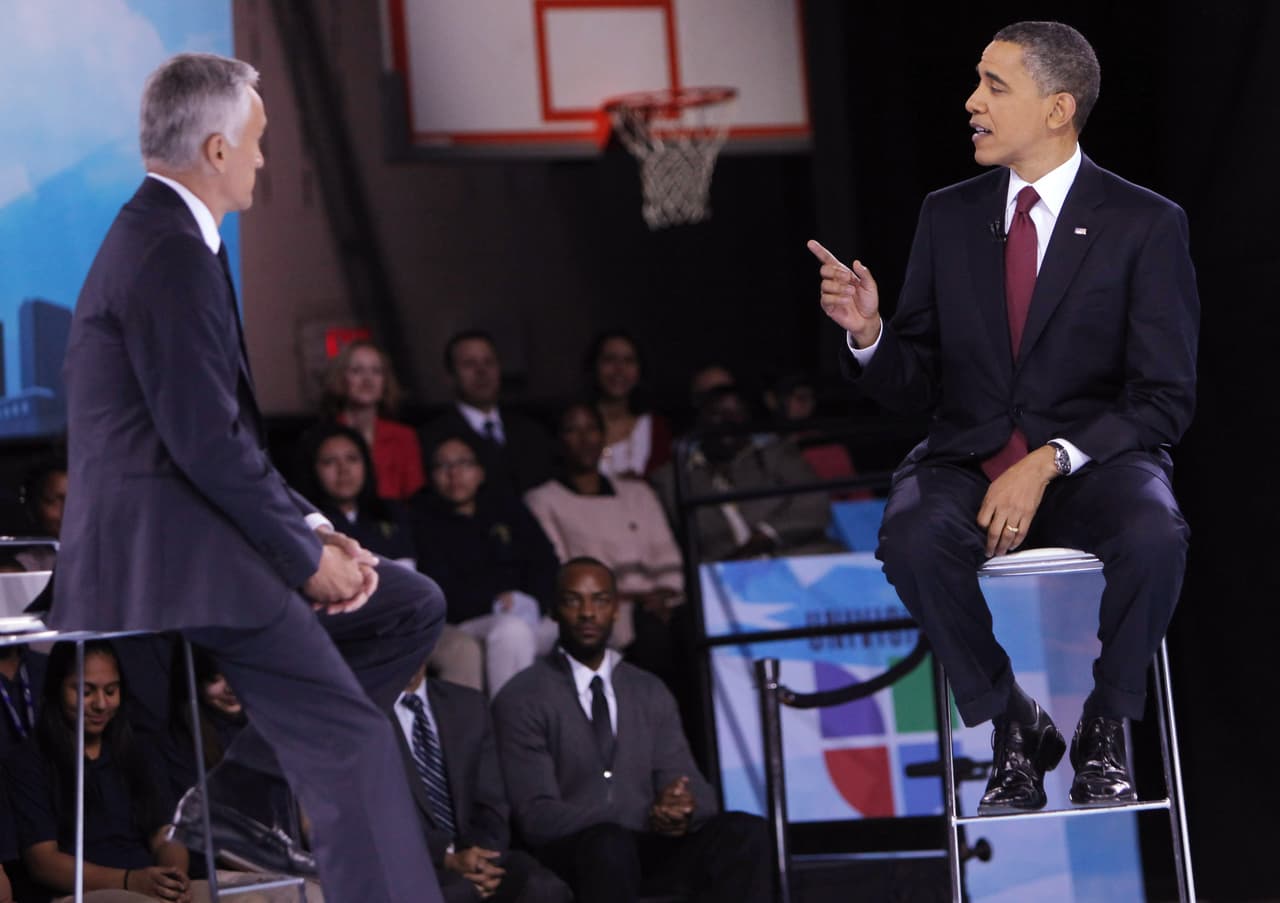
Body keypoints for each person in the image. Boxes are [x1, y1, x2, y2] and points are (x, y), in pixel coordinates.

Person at [52, 52, 446, 901]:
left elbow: (217, 435)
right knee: (351, 739)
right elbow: (204, 443)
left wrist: (313, 527)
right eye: (260, 142)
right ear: (220, 149)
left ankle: (239, 797)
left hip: (197, 534)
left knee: (409, 605)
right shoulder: (167, 250)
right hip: (175, 550)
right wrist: (306, 559)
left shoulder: (171, 237)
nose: (267, 160)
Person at [810, 21, 1197, 813]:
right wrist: (871, 333)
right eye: (975, 82)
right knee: (912, 536)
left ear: (1058, 109)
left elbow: (1164, 399)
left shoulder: (1144, 223)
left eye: (994, 85)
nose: (971, 102)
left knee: (1156, 532)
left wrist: (1050, 457)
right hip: (969, 455)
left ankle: (1106, 724)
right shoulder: (947, 215)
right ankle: (1011, 721)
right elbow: (916, 387)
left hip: (1092, 464)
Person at [492, 558, 772, 903]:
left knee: (747, 832)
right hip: (575, 854)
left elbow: (698, 790)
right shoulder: (522, 696)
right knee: (610, 843)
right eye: (573, 600)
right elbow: (536, 815)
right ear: (554, 610)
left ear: (615, 611)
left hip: (648, 850)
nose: (588, 613)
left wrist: (682, 810)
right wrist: (644, 816)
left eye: (600, 600)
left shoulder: (648, 689)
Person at [4, 641, 194, 902]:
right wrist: (129, 880)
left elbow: (164, 834)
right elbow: (43, 862)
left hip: (150, 884)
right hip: (82, 892)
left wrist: (173, 877)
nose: (101, 704)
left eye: (111, 691)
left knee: (254, 893)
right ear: (57, 689)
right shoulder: (28, 761)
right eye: (85, 691)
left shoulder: (140, 748)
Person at [391, 660, 571, 903]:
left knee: (543, 887)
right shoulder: (363, 713)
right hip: (408, 862)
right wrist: (447, 858)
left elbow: (491, 803)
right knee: (458, 893)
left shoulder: (468, 704)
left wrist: (478, 860)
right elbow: (377, 818)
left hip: (475, 852)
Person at [524, 402, 685, 671]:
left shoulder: (637, 492)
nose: (584, 439)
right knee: (651, 636)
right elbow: (562, 567)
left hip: (663, 601)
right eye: (572, 431)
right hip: (607, 609)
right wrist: (629, 599)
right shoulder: (543, 500)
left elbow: (666, 552)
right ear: (558, 441)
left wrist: (663, 593)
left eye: (591, 429)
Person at [411, 433, 559, 695]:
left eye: (463, 464)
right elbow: (436, 588)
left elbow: (546, 562)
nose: (454, 473)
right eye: (443, 466)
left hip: (528, 611)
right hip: (468, 619)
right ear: (431, 476)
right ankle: (513, 729)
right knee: (511, 632)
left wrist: (532, 599)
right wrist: (495, 602)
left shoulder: (507, 508)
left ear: (480, 472)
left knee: (583, 629)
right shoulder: (422, 520)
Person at [651, 385, 838, 562]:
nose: (728, 420)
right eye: (717, 413)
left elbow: (815, 503)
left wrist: (765, 536)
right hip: (723, 576)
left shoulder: (778, 454)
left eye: (737, 413)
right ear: (700, 419)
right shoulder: (673, 478)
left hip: (798, 559)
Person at [420, 331, 554, 497]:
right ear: (450, 376)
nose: (482, 371)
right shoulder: (432, 438)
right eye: (469, 364)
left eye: (489, 362)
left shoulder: (531, 431)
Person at [293, 422, 416, 564]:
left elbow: (408, 572)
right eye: (329, 462)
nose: (343, 469)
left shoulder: (391, 512)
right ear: (312, 469)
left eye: (352, 459)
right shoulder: (306, 521)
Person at [320, 339, 424, 500]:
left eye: (376, 371)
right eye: (357, 370)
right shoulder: (323, 437)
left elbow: (416, 497)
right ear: (341, 378)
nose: (367, 379)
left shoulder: (404, 436)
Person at [584, 331, 672, 479]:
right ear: (594, 367)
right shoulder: (577, 428)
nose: (619, 369)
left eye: (629, 361)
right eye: (609, 360)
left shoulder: (656, 427)